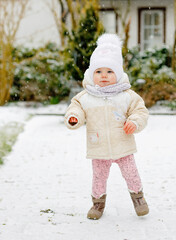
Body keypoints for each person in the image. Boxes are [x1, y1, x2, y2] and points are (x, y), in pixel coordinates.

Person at [64, 33, 149, 220]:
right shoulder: (85, 96)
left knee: (131, 174)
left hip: (123, 145)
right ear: (91, 74)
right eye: (99, 71)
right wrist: (73, 118)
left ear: (118, 74)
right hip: (98, 145)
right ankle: (97, 204)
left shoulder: (127, 95)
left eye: (109, 71)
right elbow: (76, 108)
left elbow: (140, 111)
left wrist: (134, 122)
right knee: (99, 178)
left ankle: (139, 199)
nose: (104, 76)